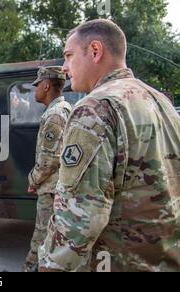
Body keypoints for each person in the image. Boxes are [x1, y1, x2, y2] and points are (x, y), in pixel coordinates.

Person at [39, 19, 180, 272]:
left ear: (95, 51)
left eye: (69, 56)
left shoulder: (96, 107)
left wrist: (50, 266)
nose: (65, 67)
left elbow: (81, 215)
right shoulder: (161, 102)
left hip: (122, 260)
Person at [23, 66, 71, 272]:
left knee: (41, 239)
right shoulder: (67, 108)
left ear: (46, 85)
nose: (35, 91)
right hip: (58, 187)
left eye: (37, 86)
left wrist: (33, 180)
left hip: (51, 190)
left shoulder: (54, 115)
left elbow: (49, 159)